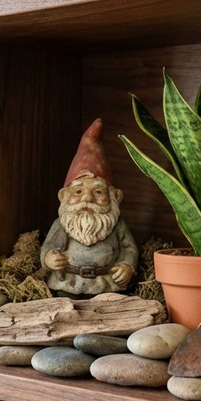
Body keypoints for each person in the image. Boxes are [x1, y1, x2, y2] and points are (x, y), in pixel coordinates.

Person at [41, 119, 139, 296]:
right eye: (78, 191)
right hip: (68, 284)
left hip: (107, 285)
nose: (87, 198)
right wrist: (49, 259)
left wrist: (127, 266)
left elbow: (129, 249)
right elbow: (48, 246)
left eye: (98, 192)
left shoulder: (118, 225)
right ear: (63, 196)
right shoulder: (62, 224)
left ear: (115, 196)